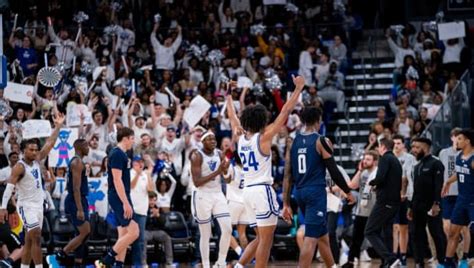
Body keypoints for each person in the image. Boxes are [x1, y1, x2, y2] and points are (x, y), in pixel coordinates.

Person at [226, 75, 305, 268]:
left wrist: (228, 94)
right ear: (261, 121)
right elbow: (285, 111)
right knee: (266, 240)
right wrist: (298, 89)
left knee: (261, 236)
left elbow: (232, 116)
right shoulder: (264, 137)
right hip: (262, 190)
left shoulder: (240, 138)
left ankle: (238, 266)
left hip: (247, 193)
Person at [282, 106, 355, 268]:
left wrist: (286, 203)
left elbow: (287, 175)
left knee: (322, 236)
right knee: (311, 237)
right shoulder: (321, 140)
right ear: (318, 120)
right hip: (315, 192)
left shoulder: (292, 142)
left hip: (299, 192)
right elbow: (334, 170)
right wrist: (348, 191)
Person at [0, 113, 65, 268]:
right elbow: (9, 187)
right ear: (24, 151)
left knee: (30, 240)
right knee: (36, 237)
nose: (35, 152)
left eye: (36, 149)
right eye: (31, 149)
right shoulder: (19, 167)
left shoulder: (37, 160)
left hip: (38, 206)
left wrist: (58, 126)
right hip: (25, 205)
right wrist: (2, 207)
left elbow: (49, 143)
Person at [95, 127, 139, 268]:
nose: (134, 141)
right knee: (134, 232)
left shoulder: (123, 155)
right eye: (132, 138)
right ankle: (105, 260)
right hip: (119, 197)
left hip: (122, 196)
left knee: (124, 234)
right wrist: (125, 202)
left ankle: (118, 265)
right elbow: (117, 180)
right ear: (125, 138)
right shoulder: (117, 154)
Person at [190, 131, 232, 268]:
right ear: (202, 142)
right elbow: (196, 182)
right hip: (202, 195)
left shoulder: (219, 153)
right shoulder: (197, 156)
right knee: (205, 233)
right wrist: (218, 171)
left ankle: (220, 262)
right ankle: (206, 264)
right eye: (209, 139)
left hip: (218, 193)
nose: (213, 141)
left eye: (214, 139)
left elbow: (227, 178)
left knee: (227, 229)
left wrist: (226, 172)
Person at [47, 139, 91, 267]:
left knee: (82, 234)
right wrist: (79, 208)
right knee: (84, 232)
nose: (88, 148)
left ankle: (78, 261)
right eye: (86, 145)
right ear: (79, 147)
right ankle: (56, 257)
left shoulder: (78, 161)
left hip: (79, 199)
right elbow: (76, 188)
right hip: (75, 200)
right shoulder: (77, 162)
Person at [408, 137, 446, 267]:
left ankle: (442, 262)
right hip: (417, 205)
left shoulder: (436, 163)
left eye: (416, 147)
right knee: (416, 234)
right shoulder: (417, 165)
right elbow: (416, 189)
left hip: (431, 205)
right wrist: (411, 207)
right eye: (413, 147)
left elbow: (438, 186)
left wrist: (437, 204)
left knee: (436, 234)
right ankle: (419, 262)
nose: (413, 150)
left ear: (425, 148)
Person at [364, 138, 403, 268]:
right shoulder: (395, 160)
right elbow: (388, 180)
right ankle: (387, 263)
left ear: (382, 147)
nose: (378, 149)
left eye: (378, 146)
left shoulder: (385, 158)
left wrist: (371, 183)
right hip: (394, 202)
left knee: (369, 231)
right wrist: (378, 186)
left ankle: (391, 259)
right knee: (387, 232)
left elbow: (380, 177)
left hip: (385, 201)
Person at [441, 129, 474, 268]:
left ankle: (467, 259)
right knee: (453, 232)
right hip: (461, 200)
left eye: (460, 138)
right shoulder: (460, 156)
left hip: (472, 201)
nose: (457, 141)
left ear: (468, 141)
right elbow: (459, 171)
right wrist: (448, 181)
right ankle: (449, 262)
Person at [342, 151, 379, 268]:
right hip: (361, 210)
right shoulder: (363, 173)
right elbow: (352, 185)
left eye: (368, 159)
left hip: (374, 210)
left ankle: (385, 260)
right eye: (364, 159)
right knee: (356, 237)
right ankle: (351, 261)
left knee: (377, 237)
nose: (365, 161)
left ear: (375, 161)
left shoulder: (377, 172)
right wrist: (359, 170)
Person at [392, 135, 416, 267]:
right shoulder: (389, 157)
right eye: (394, 143)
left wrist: (404, 192)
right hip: (391, 197)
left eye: (399, 143)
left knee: (403, 227)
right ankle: (393, 256)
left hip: (405, 196)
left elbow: (407, 178)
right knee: (393, 227)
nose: (396, 145)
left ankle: (403, 256)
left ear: (403, 145)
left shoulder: (409, 158)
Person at [130, 155, 155, 267]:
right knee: (132, 237)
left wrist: (148, 175)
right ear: (133, 164)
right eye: (137, 162)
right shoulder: (130, 173)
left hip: (142, 210)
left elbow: (150, 190)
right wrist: (138, 174)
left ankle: (139, 263)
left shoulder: (145, 174)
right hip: (132, 210)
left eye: (141, 162)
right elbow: (131, 186)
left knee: (140, 238)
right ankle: (134, 262)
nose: (139, 164)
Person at [225, 151, 251, 256]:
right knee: (242, 233)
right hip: (245, 202)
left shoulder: (232, 168)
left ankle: (240, 253)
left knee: (225, 232)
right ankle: (249, 257)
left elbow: (226, 180)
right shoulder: (249, 170)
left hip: (233, 201)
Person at [145, 192, 174, 267]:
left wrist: (158, 216)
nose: (152, 202)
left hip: (157, 231)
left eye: (154, 200)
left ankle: (169, 262)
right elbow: (142, 223)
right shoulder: (143, 208)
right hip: (147, 231)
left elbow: (164, 223)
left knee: (167, 238)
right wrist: (150, 216)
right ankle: (143, 263)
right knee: (143, 238)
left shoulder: (159, 209)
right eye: (150, 200)